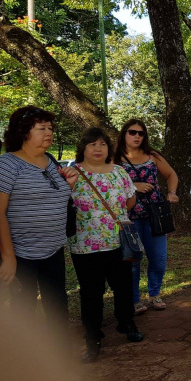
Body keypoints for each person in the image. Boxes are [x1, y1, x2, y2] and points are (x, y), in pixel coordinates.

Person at [69, 128, 144, 362]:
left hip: (117, 242)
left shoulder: (119, 172)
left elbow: (130, 199)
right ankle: (93, 337)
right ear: (83, 148)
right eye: (92, 144)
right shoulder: (72, 173)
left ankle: (127, 323)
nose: (98, 149)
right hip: (84, 245)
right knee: (91, 292)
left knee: (123, 286)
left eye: (102, 144)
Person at [0, 106, 77, 326]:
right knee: (23, 311)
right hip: (21, 254)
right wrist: (8, 258)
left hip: (54, 250)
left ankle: (59, 347)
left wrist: (69, 185)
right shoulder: (7, 165)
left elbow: (54, 199)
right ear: (23, 131)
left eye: (50, 128)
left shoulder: (51, 161)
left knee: (58, 308)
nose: (49, 133)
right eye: (41, 128)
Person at [115, 120, 179, 314]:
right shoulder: (115, 158)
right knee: (133, 261)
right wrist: (134, 186)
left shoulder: (152, 156)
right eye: (132, 132)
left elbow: (171, 174)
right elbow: (109, 184)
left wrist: (172, 192)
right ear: (124, 134)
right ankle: (134, 300)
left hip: (155, 215)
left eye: (141, 133)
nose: (137, 136)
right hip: (128, 217)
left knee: (158, 259)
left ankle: (154, 295)